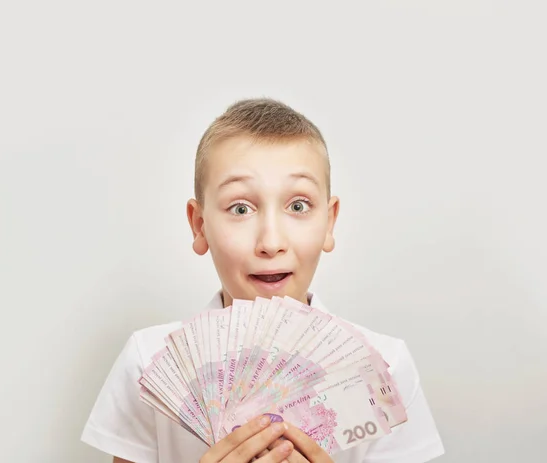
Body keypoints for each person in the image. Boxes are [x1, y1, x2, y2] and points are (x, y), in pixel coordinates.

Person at [80, 98, 445, 463]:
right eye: (241, 208)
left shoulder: (388, 367)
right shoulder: (149, 363)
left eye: (298, 205)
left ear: (330, 222)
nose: (271, 242)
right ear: (199, 224)